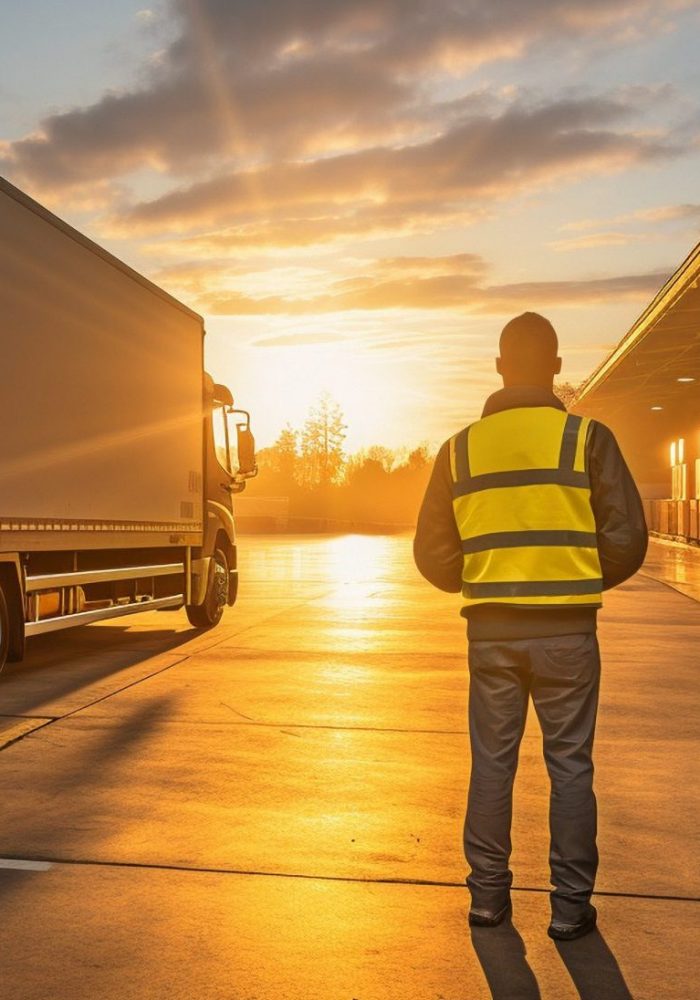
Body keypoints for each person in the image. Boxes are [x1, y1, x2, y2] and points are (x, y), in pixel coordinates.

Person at [413, 312, 647, 941]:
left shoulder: (458, 449)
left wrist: (489, 577)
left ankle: (488, 900)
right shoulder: (587, 439)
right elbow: (628, 541)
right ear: (557, 368)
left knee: (492, 763)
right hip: (569, 634)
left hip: (490, 633)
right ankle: (570, 909)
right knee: (570, 764)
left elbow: (432, 556)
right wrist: (575, 578)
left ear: (497, 369)